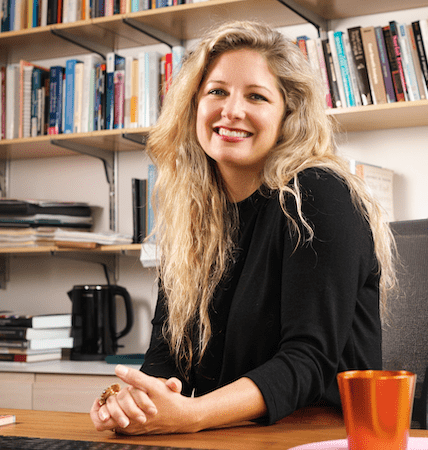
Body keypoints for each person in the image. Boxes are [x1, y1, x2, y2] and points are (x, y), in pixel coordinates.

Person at [90, 20, 396, 435]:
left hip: (320, 435)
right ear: (194, 104)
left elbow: (308, 360)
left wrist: (191, 416)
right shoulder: (194, 214)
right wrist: (135, 403)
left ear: (288, 115)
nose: (231, 111)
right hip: (235, 435)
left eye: (256, 96)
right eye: (217, 91)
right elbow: (169, 354)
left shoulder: (318, 195)